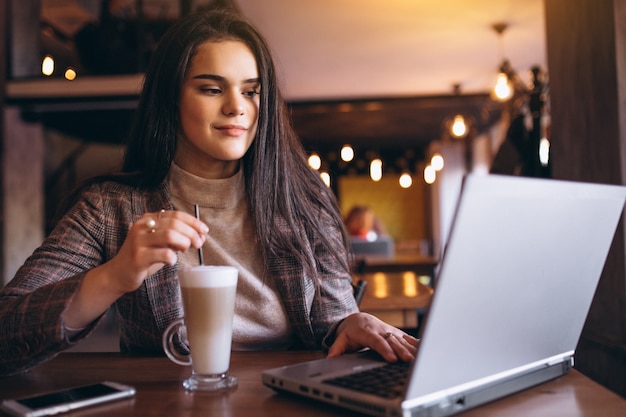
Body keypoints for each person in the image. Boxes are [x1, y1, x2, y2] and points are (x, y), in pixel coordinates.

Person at [0, 8, 417, 377]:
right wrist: (112, 277)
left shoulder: (304, 203)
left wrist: (351, 323)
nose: (237, 107)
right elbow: (7, 334)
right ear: (171, 98)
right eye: (212, 89)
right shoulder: (109, 208)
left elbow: (332, 321)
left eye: (251, 91)